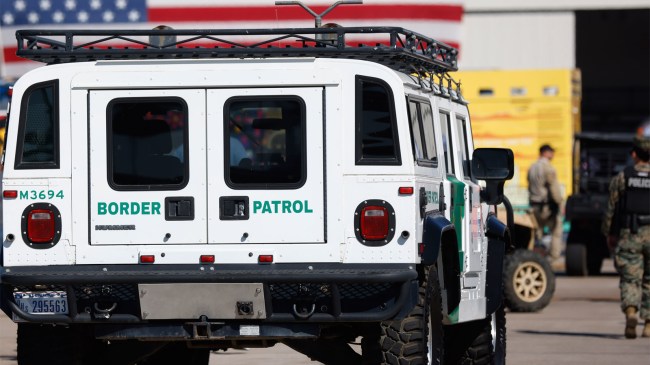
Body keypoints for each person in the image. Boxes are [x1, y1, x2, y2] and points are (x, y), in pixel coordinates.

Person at [602, 121, 650, 339]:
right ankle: (648, 325)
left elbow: (611, 209)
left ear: (634, 154)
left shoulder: (623, 177)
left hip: (629, 235)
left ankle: (631, 313)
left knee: (631, 279)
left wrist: (609, 235)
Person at [528, 144, 564, 265]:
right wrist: (559, 202)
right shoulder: (548, 168)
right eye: (551, 152)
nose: (553, 154)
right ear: (545, 152)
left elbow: (529, 186)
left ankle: (534, 257)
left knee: (537, 232)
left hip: (534, 205)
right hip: (546, 206)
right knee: (556, 230)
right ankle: (553, 259)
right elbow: (553, 188)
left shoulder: (532, 167)